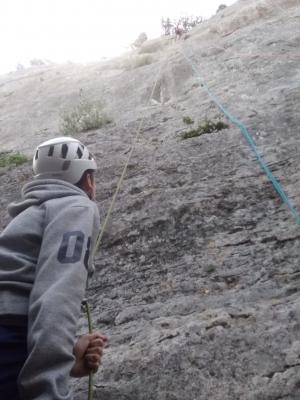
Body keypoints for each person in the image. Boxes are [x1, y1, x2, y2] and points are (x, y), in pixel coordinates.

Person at [0, 137, 107, 400]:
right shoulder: (78, 205)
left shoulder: (25, 216)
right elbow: (57, 293)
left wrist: (68, 360)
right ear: (88, 181)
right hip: (11, 335)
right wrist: (49, 386)